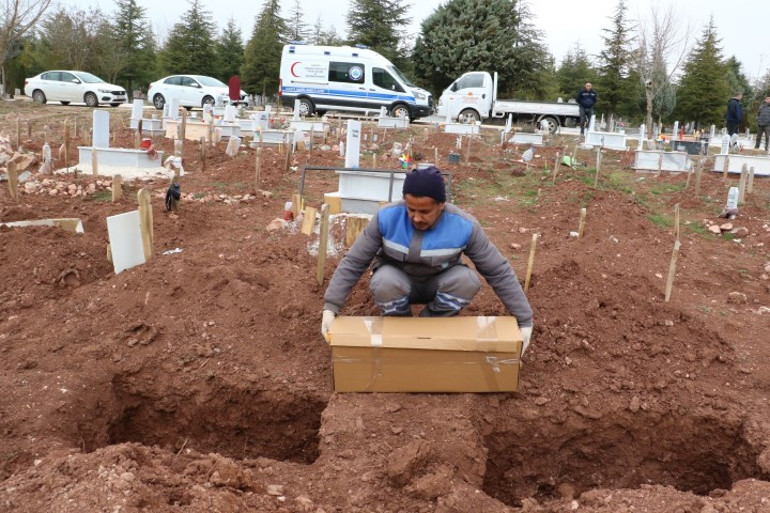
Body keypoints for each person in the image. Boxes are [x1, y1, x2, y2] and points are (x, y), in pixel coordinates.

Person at [321, 166, 534, 352]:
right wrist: (331, 307)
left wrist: (524, 320)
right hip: (397, 283)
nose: (416, 217)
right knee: (383, 281)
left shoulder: (463, 226)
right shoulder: (386, 218)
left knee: (467, 281)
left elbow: (497, 270)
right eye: (410, 209)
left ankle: (431, 325)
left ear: (441, 205)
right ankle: (400, 329)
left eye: (424, 211)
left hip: (438, 283)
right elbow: (354, 262)